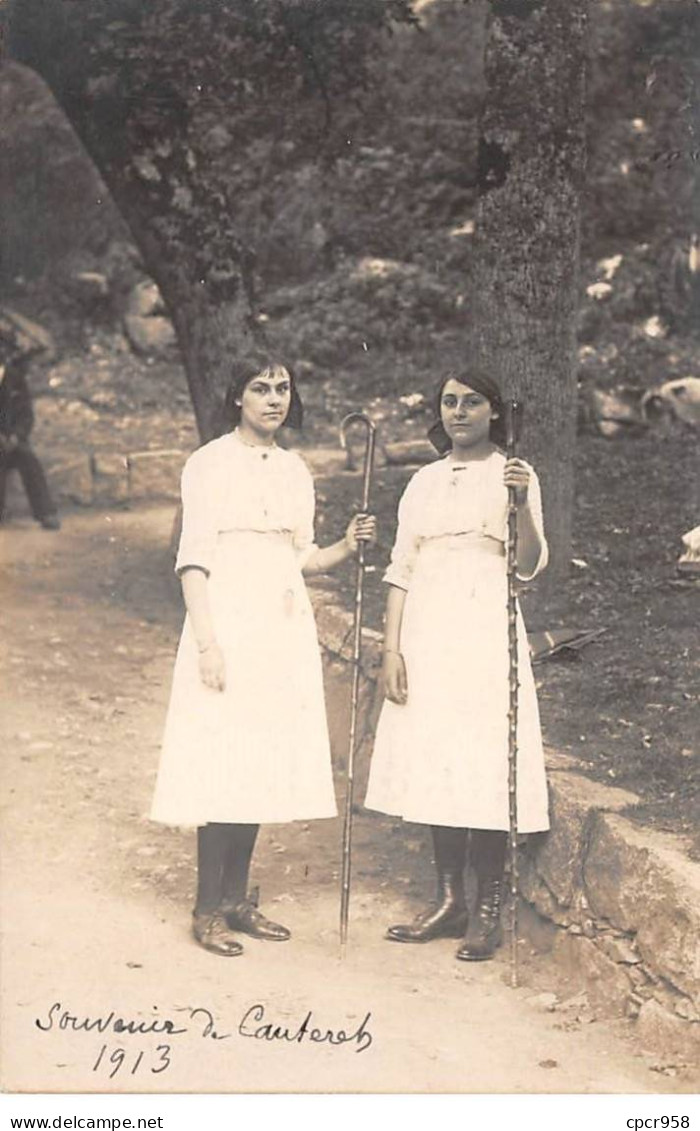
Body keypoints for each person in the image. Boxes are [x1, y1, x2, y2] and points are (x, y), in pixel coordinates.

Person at [151, 355, 376, 956]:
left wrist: (346, 547)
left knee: (256, 761)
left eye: (282, 388)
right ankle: (206, 909)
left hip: (281, 628)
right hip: (227, 622)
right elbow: (193, 562)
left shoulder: (295, 470)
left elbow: (301, 558)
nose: (274, 398)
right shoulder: (210, 464)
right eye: (260, 388)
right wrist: (208, 643)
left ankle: (235, 902)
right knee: (223, 758)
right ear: (237, 398)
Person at [364, 370, 549, 962]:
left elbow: (527, 564)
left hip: (483, 623)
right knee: (439, 754)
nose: (459, 412)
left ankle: (487, 907)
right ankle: (449, 901)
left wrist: (519, 504)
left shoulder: (514, 474)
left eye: (472, 402)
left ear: (494, 411)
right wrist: (392, 649)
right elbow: (400, 568)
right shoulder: (422, 481)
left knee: (483, 756)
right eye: (449, 402)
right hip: (428, 627)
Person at [0, 349, 60, 530]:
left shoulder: (15, 379)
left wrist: (17, 436)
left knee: (28, 458)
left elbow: (26, 415)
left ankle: (45, 512)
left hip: (12, 440)